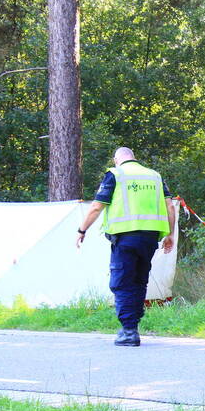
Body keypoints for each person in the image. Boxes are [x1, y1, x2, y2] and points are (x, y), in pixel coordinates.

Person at [75, 147, 175, 346]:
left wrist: (82, 230)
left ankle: (128, 331)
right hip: (149, 238)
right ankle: (133, 326)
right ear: (134, 157)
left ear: (116, 159)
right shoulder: (154, 176)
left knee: (122, 282)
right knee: (139, 282)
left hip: (125, 238)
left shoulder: (116, 174)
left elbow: (97, 206)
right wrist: (170, 234)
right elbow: (170, 206)